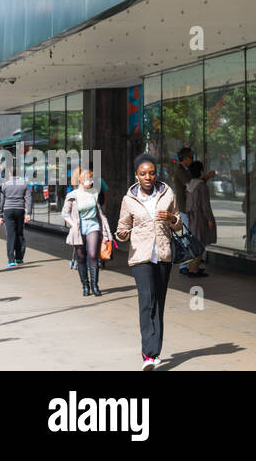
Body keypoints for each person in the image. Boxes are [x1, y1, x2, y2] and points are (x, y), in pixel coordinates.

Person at [113, 152, 182, 370]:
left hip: (162, 256)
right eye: (143, 174)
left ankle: (155, 350)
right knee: (147, 300)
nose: (148, 177)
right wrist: (121, 235)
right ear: (137, 176)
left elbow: (178, 223)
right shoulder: (129, 200)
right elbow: (121, 228)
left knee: (159, 303)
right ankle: (149, 354)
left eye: (151, 173)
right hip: (140, 257)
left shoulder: (167, 193)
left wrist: (171, 218)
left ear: (156, 174)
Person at [61, 168, 113, 296]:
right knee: (81, 256)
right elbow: (65, 213)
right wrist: (73, 225)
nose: (91, 181)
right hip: (78, 226)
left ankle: (95, 286)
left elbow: (100, 213)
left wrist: (106, 232)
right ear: (81, 180)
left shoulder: (94, 193)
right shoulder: (72, 195)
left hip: (93, 225)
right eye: (88, 179)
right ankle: (85, 286)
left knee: (93, 255)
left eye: (91, 179)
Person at [186, 160, 217, 277]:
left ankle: (191, 267)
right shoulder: (202, 186)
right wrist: (209, 219)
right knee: (200, 243)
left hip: (192, 218)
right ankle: (194, 269)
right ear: (201, 171)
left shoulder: (190, 185)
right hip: (200, 218)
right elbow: (205, 205)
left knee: (194, 242)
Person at [0, 168, 33, 267]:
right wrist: (28, 213)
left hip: (8, 211)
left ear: (9, 174)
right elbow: (29, 199)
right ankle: (19, 257)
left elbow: (1, 201)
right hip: (20, 210)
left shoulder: (4, 184)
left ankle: (11, 260)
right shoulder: (24, 184)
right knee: (19, 233)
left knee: (10, 235)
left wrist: (0, 215)